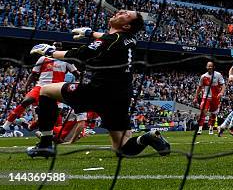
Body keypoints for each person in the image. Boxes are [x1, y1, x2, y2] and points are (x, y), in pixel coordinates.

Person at [25, 10, 170, 158]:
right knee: (122, 148)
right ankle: (147, 137)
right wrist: (90, 33)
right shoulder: (130, 39)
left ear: (126, 26)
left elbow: (82, 53)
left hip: (98, 91)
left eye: (126, 14)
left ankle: (45, 145)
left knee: (45, 90)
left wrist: (50, 52)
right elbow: (110, 38)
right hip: (120, 96)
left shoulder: (111, 40)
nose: (121, 11)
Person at [1, 43, 79, 133]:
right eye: (55, 45)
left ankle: (30, 127)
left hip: (56, 89)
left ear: (62, 48)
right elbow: (33, 74)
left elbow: (77, 74)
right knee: (26, 101)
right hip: (41, 86)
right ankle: (5, 126)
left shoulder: (67, 61)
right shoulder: (43, 59)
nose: (57, 47)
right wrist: (25, 87)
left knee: (52, 116)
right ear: (51, 47)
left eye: (59, 46)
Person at [193, 61, 225, 135]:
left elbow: (223, 85)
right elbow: (199, 87)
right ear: (206, 67)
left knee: (213, 114)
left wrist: (221, 92)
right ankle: (200, 129)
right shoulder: (203, 76)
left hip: (215, 97)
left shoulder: (218, 75)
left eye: (211, 66)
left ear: (214, 67)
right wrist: (195, 97)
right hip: (206, 97)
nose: (210, 67)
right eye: (208, 66)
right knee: (203, 111)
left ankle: (211, 128)